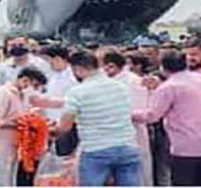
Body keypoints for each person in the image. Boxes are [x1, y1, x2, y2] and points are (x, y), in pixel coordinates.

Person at [133, 50, 201, 186]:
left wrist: (130, 114)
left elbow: (152, 116)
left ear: (162, 67)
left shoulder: (168, 87)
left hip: (187, 148)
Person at [51, 51, 140, 186]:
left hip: (96, 149)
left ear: (77, 69)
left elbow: (65, 127)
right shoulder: (120, 87)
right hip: (128, 146)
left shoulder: (77, 92)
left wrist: (51, 130)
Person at [0, 66, 48, 186]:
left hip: (12, 150)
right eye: (35, 85)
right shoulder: (2, 93)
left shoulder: (23, 95)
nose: (35, 89)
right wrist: (19, 121)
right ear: (25, 80)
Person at [103, 50, 153, 186]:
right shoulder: (106, 81)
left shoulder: (134, 81)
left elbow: (140, 110)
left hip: (132, 134)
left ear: (111, 66)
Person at [40, 45, 78, 156]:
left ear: (57, 59)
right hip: (52, 122)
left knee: (64, 155)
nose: (48, 64)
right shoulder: (53, 75)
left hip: (66, 124)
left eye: (48, 61)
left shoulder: (72, 78)